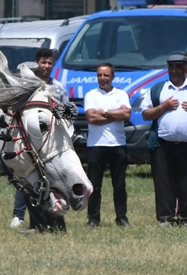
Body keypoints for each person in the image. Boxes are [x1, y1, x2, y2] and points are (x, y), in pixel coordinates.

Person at [141, 52, 187, 226]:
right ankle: (165, 218)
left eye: (178, 66)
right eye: (171, 66)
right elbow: (146, 114)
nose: (174, 70)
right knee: (164, 182)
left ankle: (186, 218)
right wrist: (163, 107)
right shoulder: (158, 89)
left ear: (185, 68)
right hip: (163, 145)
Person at [10, 48, 68, 232]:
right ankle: (37, 225)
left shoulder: (58, 87)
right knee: (29, 184)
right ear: (37, 63)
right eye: (43, 62)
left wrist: (55, 112)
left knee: (53, 182)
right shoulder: (29, 86)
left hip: (50, 143)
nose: (46, 66)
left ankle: (57, 225)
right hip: (30, 142)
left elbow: (69, 112)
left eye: (50, 63)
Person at [82, 62, 130, 227]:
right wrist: (116, 114)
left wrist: (104, 112)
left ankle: (121, 217)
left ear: (112, 77)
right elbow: (91, 118)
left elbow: (127, 115)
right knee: (94, 185)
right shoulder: (91, 95)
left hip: (117, 144)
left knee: (119, 184)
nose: (102, 78)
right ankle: (93, 218)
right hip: (96, 144)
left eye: (106, 75)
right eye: (100, 75)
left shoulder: (121, 94)